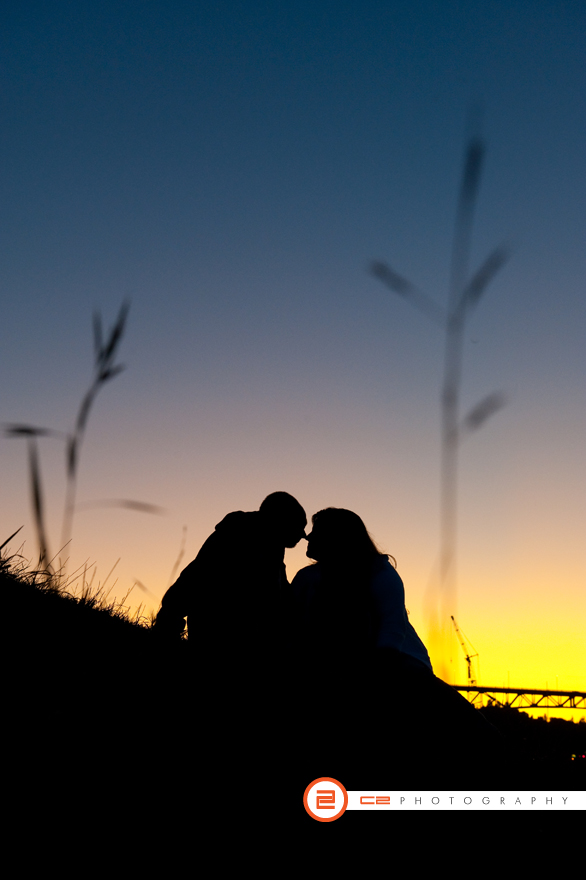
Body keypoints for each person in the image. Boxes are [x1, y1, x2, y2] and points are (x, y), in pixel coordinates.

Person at [153, 491, 307, 660]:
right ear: (279, 520)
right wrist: (168, 622)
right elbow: (196, 576)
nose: (302, 535)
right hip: (217, 636)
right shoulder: (235, 535)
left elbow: (279, 592)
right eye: (298, 526)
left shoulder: (273, 547)